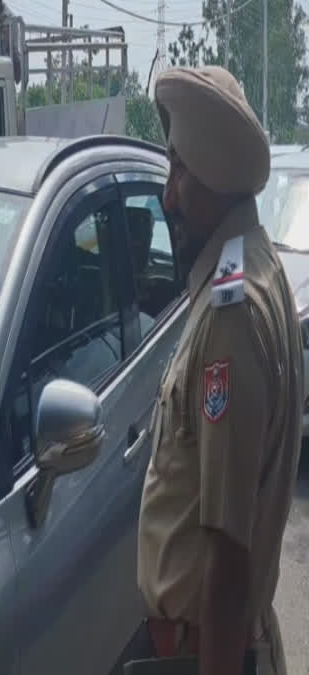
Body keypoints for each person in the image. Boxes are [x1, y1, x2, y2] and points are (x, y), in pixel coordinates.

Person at [134, 66, 300, 675]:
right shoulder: (249, 264)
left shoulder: (232, 313)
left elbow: (227, 549)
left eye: (180, 171)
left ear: (218, 182)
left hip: (201, 649)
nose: (168, 194)